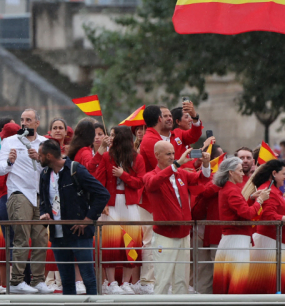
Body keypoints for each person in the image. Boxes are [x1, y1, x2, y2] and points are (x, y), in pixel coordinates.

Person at [37, 138, 108, 295]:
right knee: (66, 281)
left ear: (49, 156)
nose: (38, 157)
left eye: (40, 155)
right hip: (57, 235)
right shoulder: (44, 174)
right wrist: (44, 213)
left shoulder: (76, 170)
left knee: (88, 278)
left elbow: (103, 194)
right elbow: (43, 200)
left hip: (79, 234)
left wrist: (88, 220)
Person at [142, 140, 211, 294]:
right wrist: (177, 164)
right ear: (157, 155)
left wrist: (206, 164)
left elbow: (202, 178)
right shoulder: (149, 176)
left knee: (182, 281)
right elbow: (153, 183)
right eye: (168, 154)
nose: (172, 157)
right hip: (165, 235)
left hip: (184, 234)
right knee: (163, 280)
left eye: (173, 153)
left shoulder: (181, 174)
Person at [0, 110, 49, 294]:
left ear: (37, 123)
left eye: (29, 120)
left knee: (41, 239)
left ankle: (38, 280)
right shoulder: (9, 142)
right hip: (19, 193)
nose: (24, 123)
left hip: (40, 195)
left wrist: (40, 159)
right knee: (21, 238)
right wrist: (10, 162)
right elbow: (0, 169)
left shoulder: (44, 143)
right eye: (22, 120)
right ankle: (17, 281)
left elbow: (51, 169)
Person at [91, 125, 147, 294]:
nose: (110, 137)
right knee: (110, 243)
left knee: (132, 242)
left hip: (130, 204)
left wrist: (123, 175)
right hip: (111, 204)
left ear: (121, 137)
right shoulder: (107, 156)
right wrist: (102, 204)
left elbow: (140, 182)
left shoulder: (137, 158)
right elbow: (97, 180)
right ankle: (111, 282)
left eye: (113, 135)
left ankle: (126, 282)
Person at [241, 159, 285, 294]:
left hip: (278, 244)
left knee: (278, 287)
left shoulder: (273, 190)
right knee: (270, 288)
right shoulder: (267, 190)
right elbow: (269, 216)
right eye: (284, 173)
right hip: (271, 244)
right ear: (274, 173)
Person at [213, 157, 263, 294]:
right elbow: (247, 213)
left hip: (231, 239)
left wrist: (252, 198)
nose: (242, 174)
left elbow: (238, 209)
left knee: (226, 281)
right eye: (240, 171)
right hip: (237, 241)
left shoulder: (227, 189)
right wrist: (260, 201)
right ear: (230, 172)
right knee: (238, 281)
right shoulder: (232, 190)